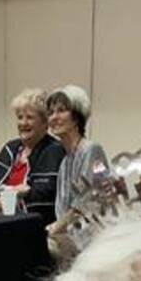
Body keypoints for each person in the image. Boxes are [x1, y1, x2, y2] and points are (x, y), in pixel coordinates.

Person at [0, 88, 64, 223]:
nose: (23, 123)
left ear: (45, 123)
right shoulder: (11, 148)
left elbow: (45, 193)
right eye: (20, 117)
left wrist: (10, 199)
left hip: (33, 226)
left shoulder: (54, 150)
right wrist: (13, 194)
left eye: (30, 117)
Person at [46, 85, 109, 220]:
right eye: (51, 112)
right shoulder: (65, 162)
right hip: (70, 234)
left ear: (76, 118)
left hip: (96, 234)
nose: (53, 117)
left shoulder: (92, 150)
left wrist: (58, 228)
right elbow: (61, 209)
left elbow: (87, 202)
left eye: (61, 111)